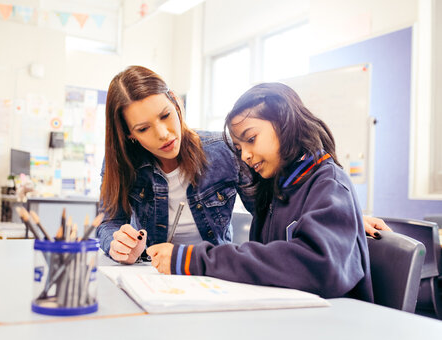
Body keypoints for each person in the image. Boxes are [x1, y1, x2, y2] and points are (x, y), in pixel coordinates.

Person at [97, 66, 389, 268]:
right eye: (144, 128)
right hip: (152, 274)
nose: (163, 133)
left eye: (165, 116)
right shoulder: (123, 165)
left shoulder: (223, 151)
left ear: (176, 103)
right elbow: (109, 222)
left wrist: (339, 216)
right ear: (129, 134)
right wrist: (117, 244)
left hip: (210, 273)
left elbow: (272, 205)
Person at [147, 82, 375, 301]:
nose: (245, 155)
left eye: (251, 139)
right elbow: (266, 265)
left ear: (285, 123)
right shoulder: (273, 189)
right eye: (239, 148)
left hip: (332, 325)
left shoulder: (329, 184)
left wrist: (192, 259)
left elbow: (319, 267)